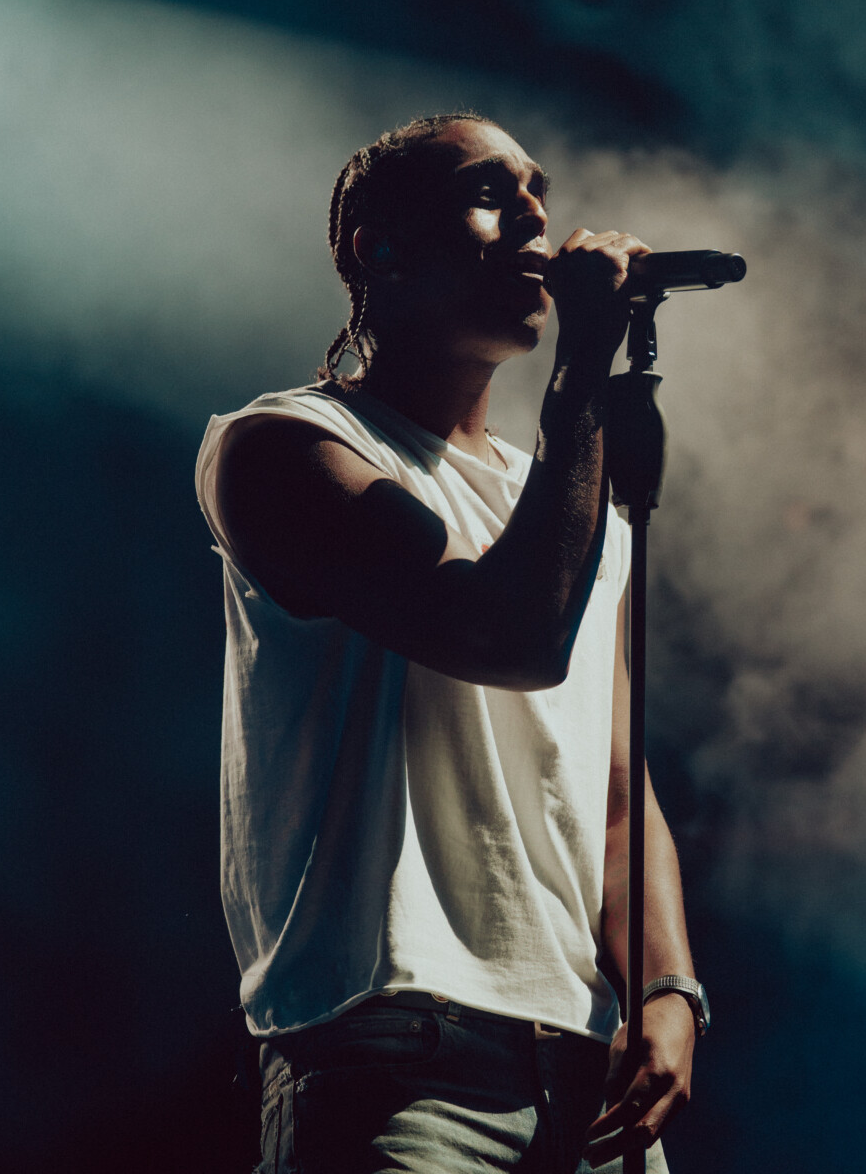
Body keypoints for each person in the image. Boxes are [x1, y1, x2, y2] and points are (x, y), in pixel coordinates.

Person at [195, 113, 707, 1174]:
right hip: (396, 1062)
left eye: (538, 193)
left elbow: (617, 790)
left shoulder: (569, 507)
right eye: (488, 192)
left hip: (587, 1070)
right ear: (378, 249)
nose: (533, 215)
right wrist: (582, 367)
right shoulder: (284, 449)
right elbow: (508, 635)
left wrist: (667, 989)